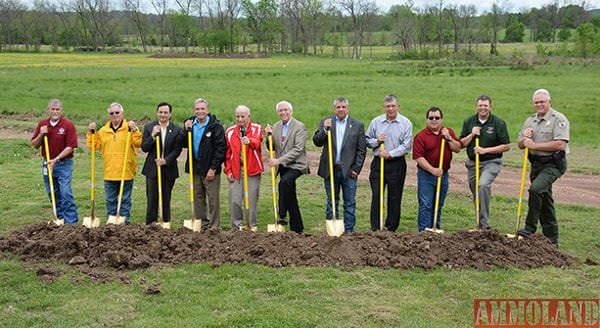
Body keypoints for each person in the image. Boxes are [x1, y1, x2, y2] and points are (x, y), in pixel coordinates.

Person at [517, 89, 569, 246]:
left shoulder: (558, 119)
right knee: (545, 201)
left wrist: (535, 144)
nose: (539, 104)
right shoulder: (530, 121)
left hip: (553, 163)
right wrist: (525, 138)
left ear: (549, 102)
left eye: (542, 102)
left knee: (536, 189)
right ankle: (551, 240)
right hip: (536, 164)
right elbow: (520, 144)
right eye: (536, 102)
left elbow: (560, 144)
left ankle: (529, 227)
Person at [313, 97, 366, 234]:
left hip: (349, 171)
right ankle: (332, 230)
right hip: (330, 169)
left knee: (349, 203)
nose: (341, 109)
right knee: (331, 201)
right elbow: (317, 142)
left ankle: (349, 230)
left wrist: (356, 169)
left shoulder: (357, 125)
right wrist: (325, 129)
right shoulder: (327, 122)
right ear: (334, 109)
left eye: (343, 107)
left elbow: (361, 150)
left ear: (348, 108)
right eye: (338, 107)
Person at [459, 95, 510, 229]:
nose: (483, 108)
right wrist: (471, 134)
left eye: (485, 105)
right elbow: (461, 144)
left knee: (483, 186)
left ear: (490, 107)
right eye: (480, 105)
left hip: (492, 162)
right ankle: (480, 223)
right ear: (476, 107)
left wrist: (485, 150)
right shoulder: (469, 121)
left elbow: (506, 146)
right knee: (477, 193)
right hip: (472, 163)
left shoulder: (498, 123)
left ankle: (485, 225)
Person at [87, 102, 142, 224]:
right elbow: (94, 145)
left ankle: (124, 222)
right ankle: (111, 224)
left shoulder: (129, 128)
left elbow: (138, 143)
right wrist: (91, 133)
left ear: (122, 113)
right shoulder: (103, 131)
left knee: (125, 200)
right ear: (109, 115)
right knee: (110, 200)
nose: (115, 115)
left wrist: (134, 129)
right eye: (112, 113)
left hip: (126, 170)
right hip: (110, 171)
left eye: (117, 112)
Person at [365, 94, 413, 232]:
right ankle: (375, 227)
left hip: (396, 164)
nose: (390, 109)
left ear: (398, 106)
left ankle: (391, 228)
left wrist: (390, 153)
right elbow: (367, 140)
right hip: (378, 164)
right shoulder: (376, 122)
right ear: (384, 107)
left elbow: (406, 145)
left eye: (393, 106)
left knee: (394, 196)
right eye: (388, 106)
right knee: (376, 195)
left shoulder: (406, 123)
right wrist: (377, 141)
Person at [413, 107, 461, 232]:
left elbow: (457, 148)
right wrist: (432, 170)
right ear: (426, 120)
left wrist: (449, 138)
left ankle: (435, 229)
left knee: (438, 204)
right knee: (426, 204)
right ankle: (424, 231)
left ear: (441, 119)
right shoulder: (421, 136)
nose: (434, 120)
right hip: (426, 176)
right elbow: (418, 157)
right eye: (431, 118)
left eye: (437, 118)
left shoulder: (448, 132)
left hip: (443, 175)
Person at [264, 101, 309, 233]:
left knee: (284, 183)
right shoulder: (276, 126)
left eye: (285, 110)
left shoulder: (299, 126)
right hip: (283, 165)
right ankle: (297, 227)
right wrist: (268, 136)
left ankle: (282, 214)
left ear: (291, 111)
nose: (283, 113)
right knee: (290, 194)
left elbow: (298, 149)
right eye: (280, 111)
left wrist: (279, 160)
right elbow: (271, 146)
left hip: (296, 164)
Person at [30, 99, 78, 224]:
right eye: (53, 109)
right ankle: (60, 219)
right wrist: (41, 134)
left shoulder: (68, 125)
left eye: (57, 109)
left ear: (61, 111)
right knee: (52, 192)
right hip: (47, 163)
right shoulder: (42, 124)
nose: (55, 111)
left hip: (63, 163)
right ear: (48, 110)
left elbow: (70, 147)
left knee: (65, 192)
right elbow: (35, 144)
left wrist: (56, 159)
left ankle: (71, 222)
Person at [183, 98, 226, 230]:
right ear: (194, 111)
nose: (200, 111)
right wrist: (185, 130)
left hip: (210, 169)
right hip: (195, 168)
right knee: (198, 198)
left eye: (202, 109)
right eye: (197, 109)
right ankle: (202, 224)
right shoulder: (190, 125)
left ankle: (214, 227)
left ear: (207, 110)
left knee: (213, 199)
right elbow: (184, 143)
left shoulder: (215, 126)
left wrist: (213, 168)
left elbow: (221, 149)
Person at [141, 102, 184, 226]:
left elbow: (177, 150)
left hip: (168, 169)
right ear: (157, 113)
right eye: (160, 112)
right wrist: (153, 136)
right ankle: (150, 225)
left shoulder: (176, 130)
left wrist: (165, 160)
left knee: (166, 199)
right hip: (152, 170)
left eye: (165, 112)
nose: (163, 115)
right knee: (152, 199)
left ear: (170, 114)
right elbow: (144, 147)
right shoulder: (150, 127)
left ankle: (165, 224)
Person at [224, 105, 264, 231]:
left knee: (251, 199)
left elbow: (257, 141)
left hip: (252, 169)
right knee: (234, 199)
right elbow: (227, 153)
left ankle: (251, 225)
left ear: (249, 116)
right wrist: (228, 170)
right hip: (236, 169)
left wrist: (249, 141)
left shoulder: (256, 128)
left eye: (242, 116)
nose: (240, 119)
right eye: (237, 116)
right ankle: (237, 226)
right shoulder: (230, 132)